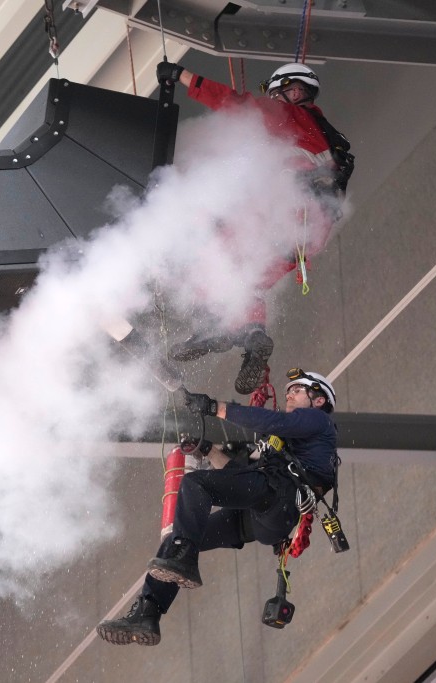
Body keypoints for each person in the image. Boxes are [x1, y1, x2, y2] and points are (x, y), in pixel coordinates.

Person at [96, 368, 339, 646]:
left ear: (318, 400)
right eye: (288, 392)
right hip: (260, 514)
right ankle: (148, 611)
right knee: (176, 541)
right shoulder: (289, 445)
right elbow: (238, 479)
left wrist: (216, 407)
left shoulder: (318, 421)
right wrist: (208, 451)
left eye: (296, 390)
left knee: (195, 486)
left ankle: (184, 559)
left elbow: (272, 423)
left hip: (278, 498)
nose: (288, 395)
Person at [154, 61, 354, 395]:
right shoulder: (329, 137)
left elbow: (232, 103)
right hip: (307, 235)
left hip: (284, 212)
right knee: (249, 281)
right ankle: (251, 334)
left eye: (277, 92)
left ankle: (211, 327)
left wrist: (182, 75)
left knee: (211, 252)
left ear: (290, 90)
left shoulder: (286, 116)